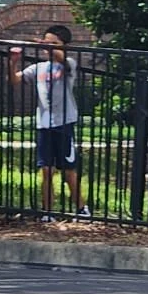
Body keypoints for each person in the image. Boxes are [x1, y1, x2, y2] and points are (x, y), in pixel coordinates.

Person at [9, 24, 90, 222]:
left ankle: (81, 209)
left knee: (69, 170)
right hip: (44, 124)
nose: (48, 47)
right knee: (45, 169)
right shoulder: (38, 68)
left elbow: (62, 59)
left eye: (54, 43)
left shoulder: (68, 63)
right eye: (47, 42)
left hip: (64, 123)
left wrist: (49, 46)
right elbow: (15, 80)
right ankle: (47, 212)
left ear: (64, 45)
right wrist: (12, 63)